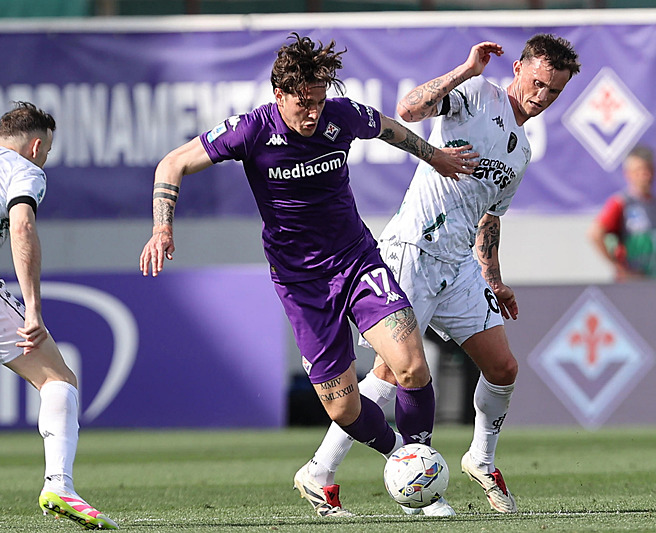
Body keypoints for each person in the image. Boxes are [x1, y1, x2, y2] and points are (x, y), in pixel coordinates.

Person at [138, 33, 477, 518]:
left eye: (319, 101)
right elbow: (172, 163)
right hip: (302, 284)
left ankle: (423, 485)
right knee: (343, 409)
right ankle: (404, 456)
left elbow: (388, 128)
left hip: (357, 261)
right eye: (303, 104)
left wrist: (435, 156)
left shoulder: (341, 115)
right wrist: (162, 226)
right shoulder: (251, 130)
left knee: (411, 366)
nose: (313, 113)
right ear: (279, 95)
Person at [301, 35, 580, 517]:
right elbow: (408, 110)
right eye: (537, 83)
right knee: (394, 372)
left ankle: (481, 458)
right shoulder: (478, 95)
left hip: (460, 266)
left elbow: (488, 218)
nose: (540, 97)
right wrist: (466, 69)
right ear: (518, 69)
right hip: (414, 251)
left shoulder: (523, 149)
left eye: (553, 92)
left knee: (503, 368)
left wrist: (493, 278)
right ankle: (327, 473)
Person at [0, 102, 118, 530]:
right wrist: (32, 308)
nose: (44, 158)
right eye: (46, 151)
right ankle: (59, 485)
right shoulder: (23, 169)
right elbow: (22, 226)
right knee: (57, 379)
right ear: (35, 145)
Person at [588, 146, 656, 281]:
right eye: (639, 171)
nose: (645, 175)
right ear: (628, 173)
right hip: (632, 286)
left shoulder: (655, 204)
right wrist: (622, 270)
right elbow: (594, 234)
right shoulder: (621, 203)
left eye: (648, 169)